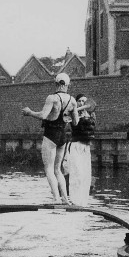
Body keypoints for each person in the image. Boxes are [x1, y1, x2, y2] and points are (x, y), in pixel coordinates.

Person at [22, 73, 79, 204]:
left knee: (48, 168)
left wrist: (30, 112)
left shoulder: (52, 98)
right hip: (63, 136)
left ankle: (56, 198)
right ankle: (65, 199)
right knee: (58, 169)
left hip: (51, 135)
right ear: (68, 85)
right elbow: (75, 123)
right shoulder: (73, 101)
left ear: (56, 84)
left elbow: (43, 115)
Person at [68, 94, 96, 206]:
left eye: (84, 101)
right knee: (76, 174)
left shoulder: (91, 116)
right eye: (79, 101)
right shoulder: (74, 115)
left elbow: (91, 129)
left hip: (86, 147)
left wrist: (87, 116)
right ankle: (74, 200)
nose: (82, 103)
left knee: (86, 176)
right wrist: (77, 112)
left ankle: (83, 202)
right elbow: (77, 126)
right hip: (76, 145)